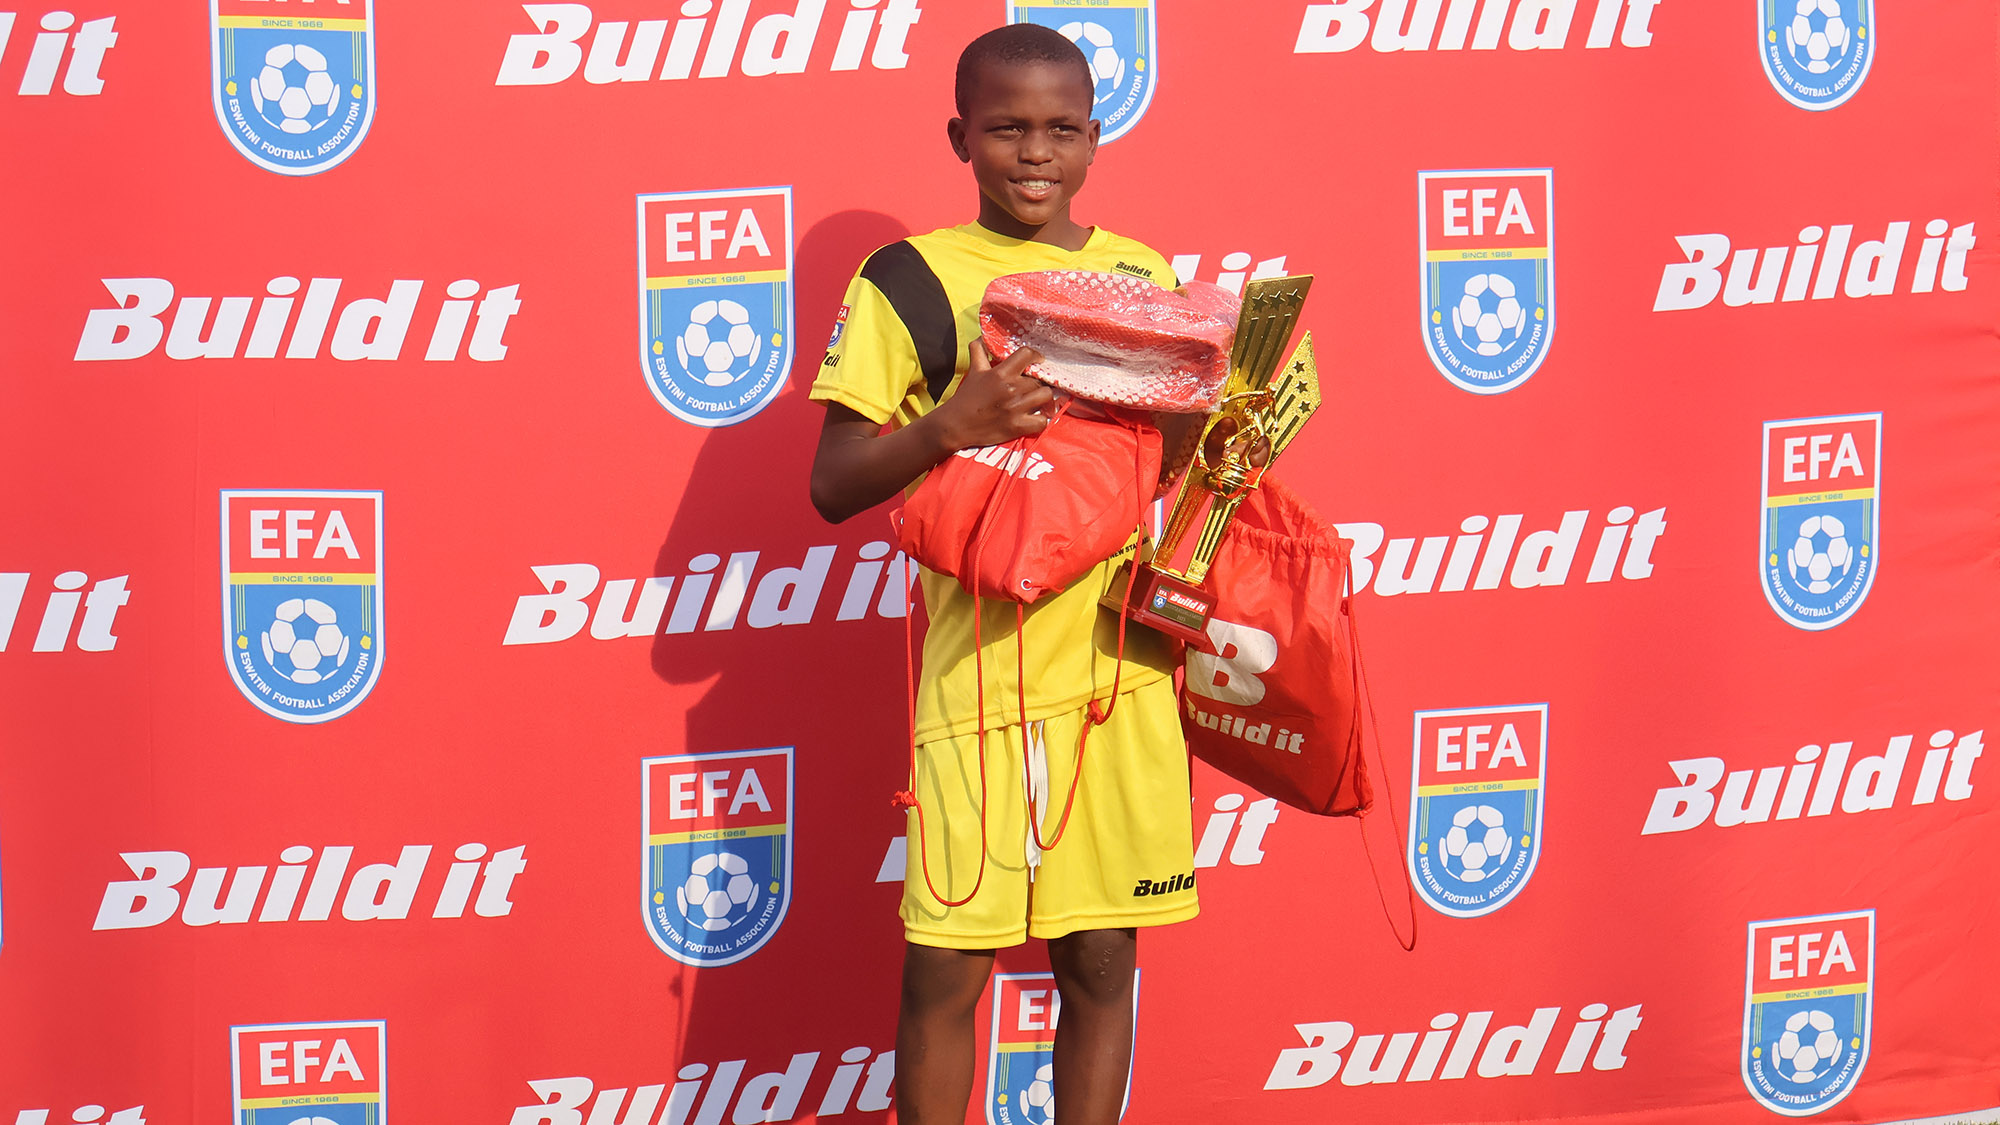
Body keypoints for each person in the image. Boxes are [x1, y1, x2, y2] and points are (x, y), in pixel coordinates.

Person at [806, 23, 1197, 1125]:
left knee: (1101, 964)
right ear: (959, 137)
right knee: (944, 971)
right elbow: (832, 483)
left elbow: (1156, 471)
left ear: (1095, 138)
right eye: (1007, 128)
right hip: (977, 679)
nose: (1035, 153)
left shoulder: (1144, 277)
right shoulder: (910, 279)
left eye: (1061, 129)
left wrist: (1226, 428)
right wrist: (952, 425)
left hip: (1115, 675)